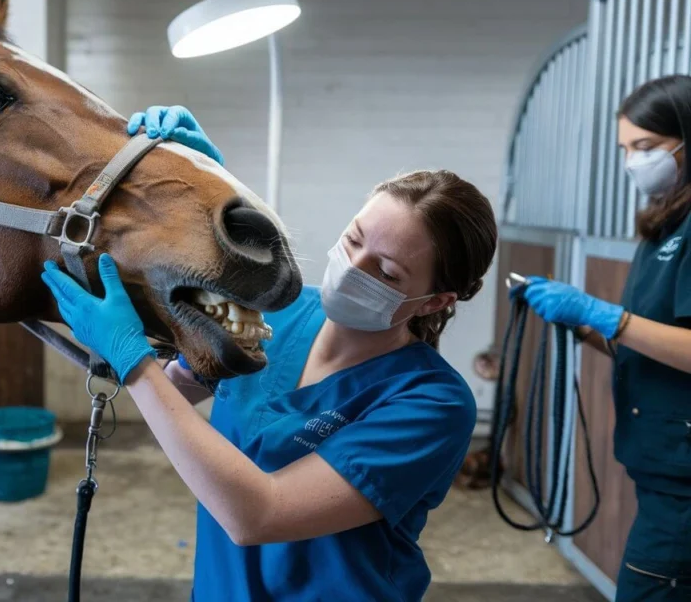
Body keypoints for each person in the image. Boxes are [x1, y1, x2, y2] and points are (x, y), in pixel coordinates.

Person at [41, 105, 498, 601]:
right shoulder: (274, 310)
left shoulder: (433, 404)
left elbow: (257, 514)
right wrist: (204, 188)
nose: (352, 268)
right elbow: (176, 387)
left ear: (434, 301)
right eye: (354, 240)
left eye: (386, 272)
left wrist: (132, 361)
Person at [512, 76, 691, 600]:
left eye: (646, 147)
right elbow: (647, 342)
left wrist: (605, 314)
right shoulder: (665, 226)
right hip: (662, 468)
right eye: (626, 149)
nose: (633, 162)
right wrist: (583, 324)